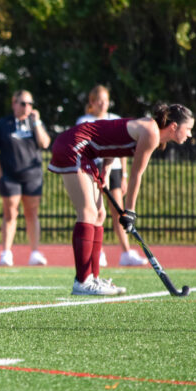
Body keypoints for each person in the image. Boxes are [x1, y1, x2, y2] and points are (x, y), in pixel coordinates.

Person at [49, 103, 194, 295]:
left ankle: (93, 278)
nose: (190, 134)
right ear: (174, 126)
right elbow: (136, 175)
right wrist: (130, 211)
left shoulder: (151, 131)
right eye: (189, 129)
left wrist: (106, 171)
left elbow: (114, 141)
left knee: (99, 214)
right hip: (74, 146)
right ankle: (82, 281)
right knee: (88, 212)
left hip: (88, 153)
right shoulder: (151, 132)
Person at [76, 85, 148, 267]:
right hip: (94, 167)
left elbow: (121, 149)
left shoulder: (115, 119)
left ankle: (126, 252)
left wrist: (123, 174)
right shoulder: (84, 120)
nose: (103, 104)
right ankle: (97, 252)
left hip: (113, 167)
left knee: (118, 211)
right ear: (92, 102)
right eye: (99, 100)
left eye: (105, 100)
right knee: (97, 210)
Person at [0, 90, 51, 267]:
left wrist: (37, 121)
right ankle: (6, 252)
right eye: (23, 103)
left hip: (32, 176)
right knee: (10, 213)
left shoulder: (34, 123)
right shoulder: (4, 124)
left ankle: (35, 252)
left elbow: (45, 143)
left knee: (32, 213)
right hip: (10, 176)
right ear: (14, 103)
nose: (27, 107)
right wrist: (0, 174)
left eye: (30, 103)